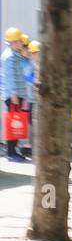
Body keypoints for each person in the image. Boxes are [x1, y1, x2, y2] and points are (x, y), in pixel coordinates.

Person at [3, 28, 31, 161]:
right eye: (20, 41)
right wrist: (14, 94)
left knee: (18, 123)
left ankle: (15, 151)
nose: (21, 43)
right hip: (14, 96)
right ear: (13, 42)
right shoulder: (9, 57)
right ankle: (11, 153)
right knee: (13, 124)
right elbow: (10, 77)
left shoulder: (16, 55)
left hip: (20, 95)